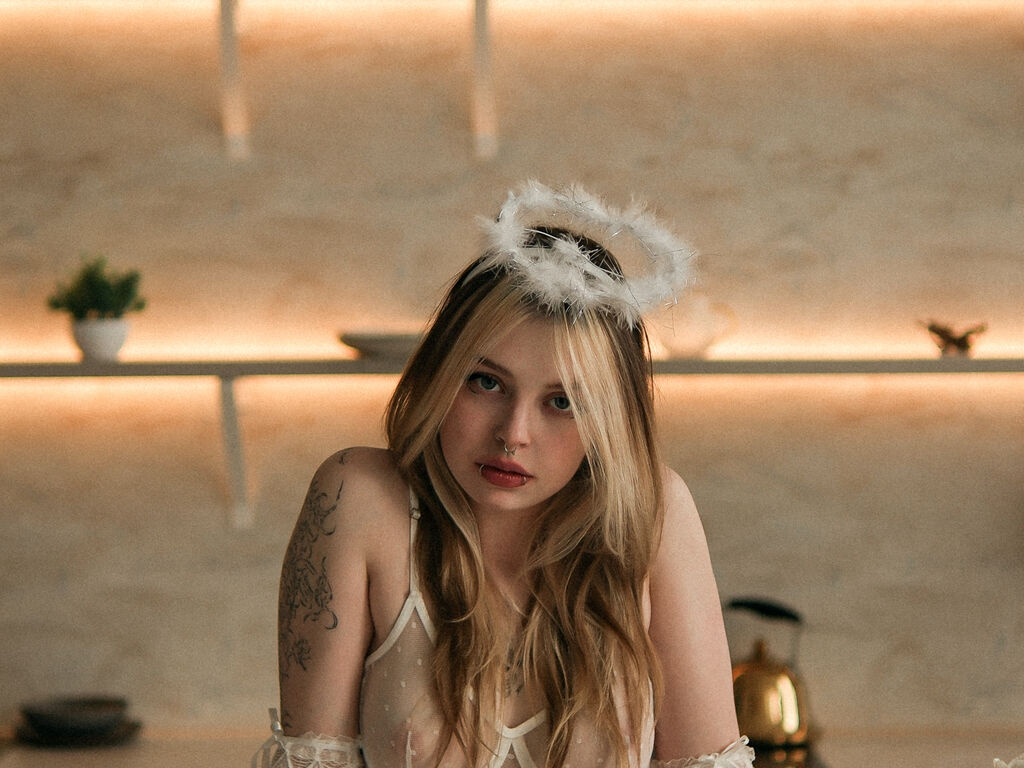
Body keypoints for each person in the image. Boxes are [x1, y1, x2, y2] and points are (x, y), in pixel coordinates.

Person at [254, 182, 754, 768]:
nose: (514, 434)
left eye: (562, 403)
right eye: (486, 382)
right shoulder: (360, 497)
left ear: (610, 421)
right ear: (441, 374)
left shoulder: (654, 512)